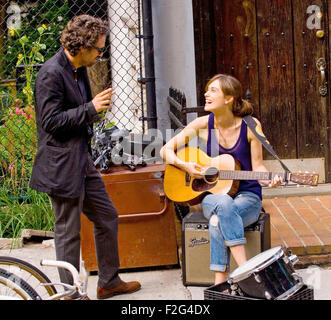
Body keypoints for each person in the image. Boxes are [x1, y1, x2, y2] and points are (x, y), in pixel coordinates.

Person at [30, 14, 141, 299]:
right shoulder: (51, 74)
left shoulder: (78, 70)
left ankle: (108, 281)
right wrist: (91, 109)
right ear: (81, 46)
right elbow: (50, 122)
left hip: (82, 161)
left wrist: (90, 113)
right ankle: (69, 294)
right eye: (99, 49)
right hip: (62, 166)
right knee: (68, 233)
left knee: (107, 216)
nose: (101, 54)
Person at [160, 74, 282, 285]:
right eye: (207, 89)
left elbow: (258, 166)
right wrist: (186, 166)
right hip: (212, 197)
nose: (206, 94)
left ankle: (219, 282)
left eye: (213, 90)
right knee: (223, 202)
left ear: (229, 98)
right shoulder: (202, 124)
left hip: (248, 196)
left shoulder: (251, 126)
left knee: (217, 221)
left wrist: (269, 180)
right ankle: (246, 272)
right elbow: (165, 150)